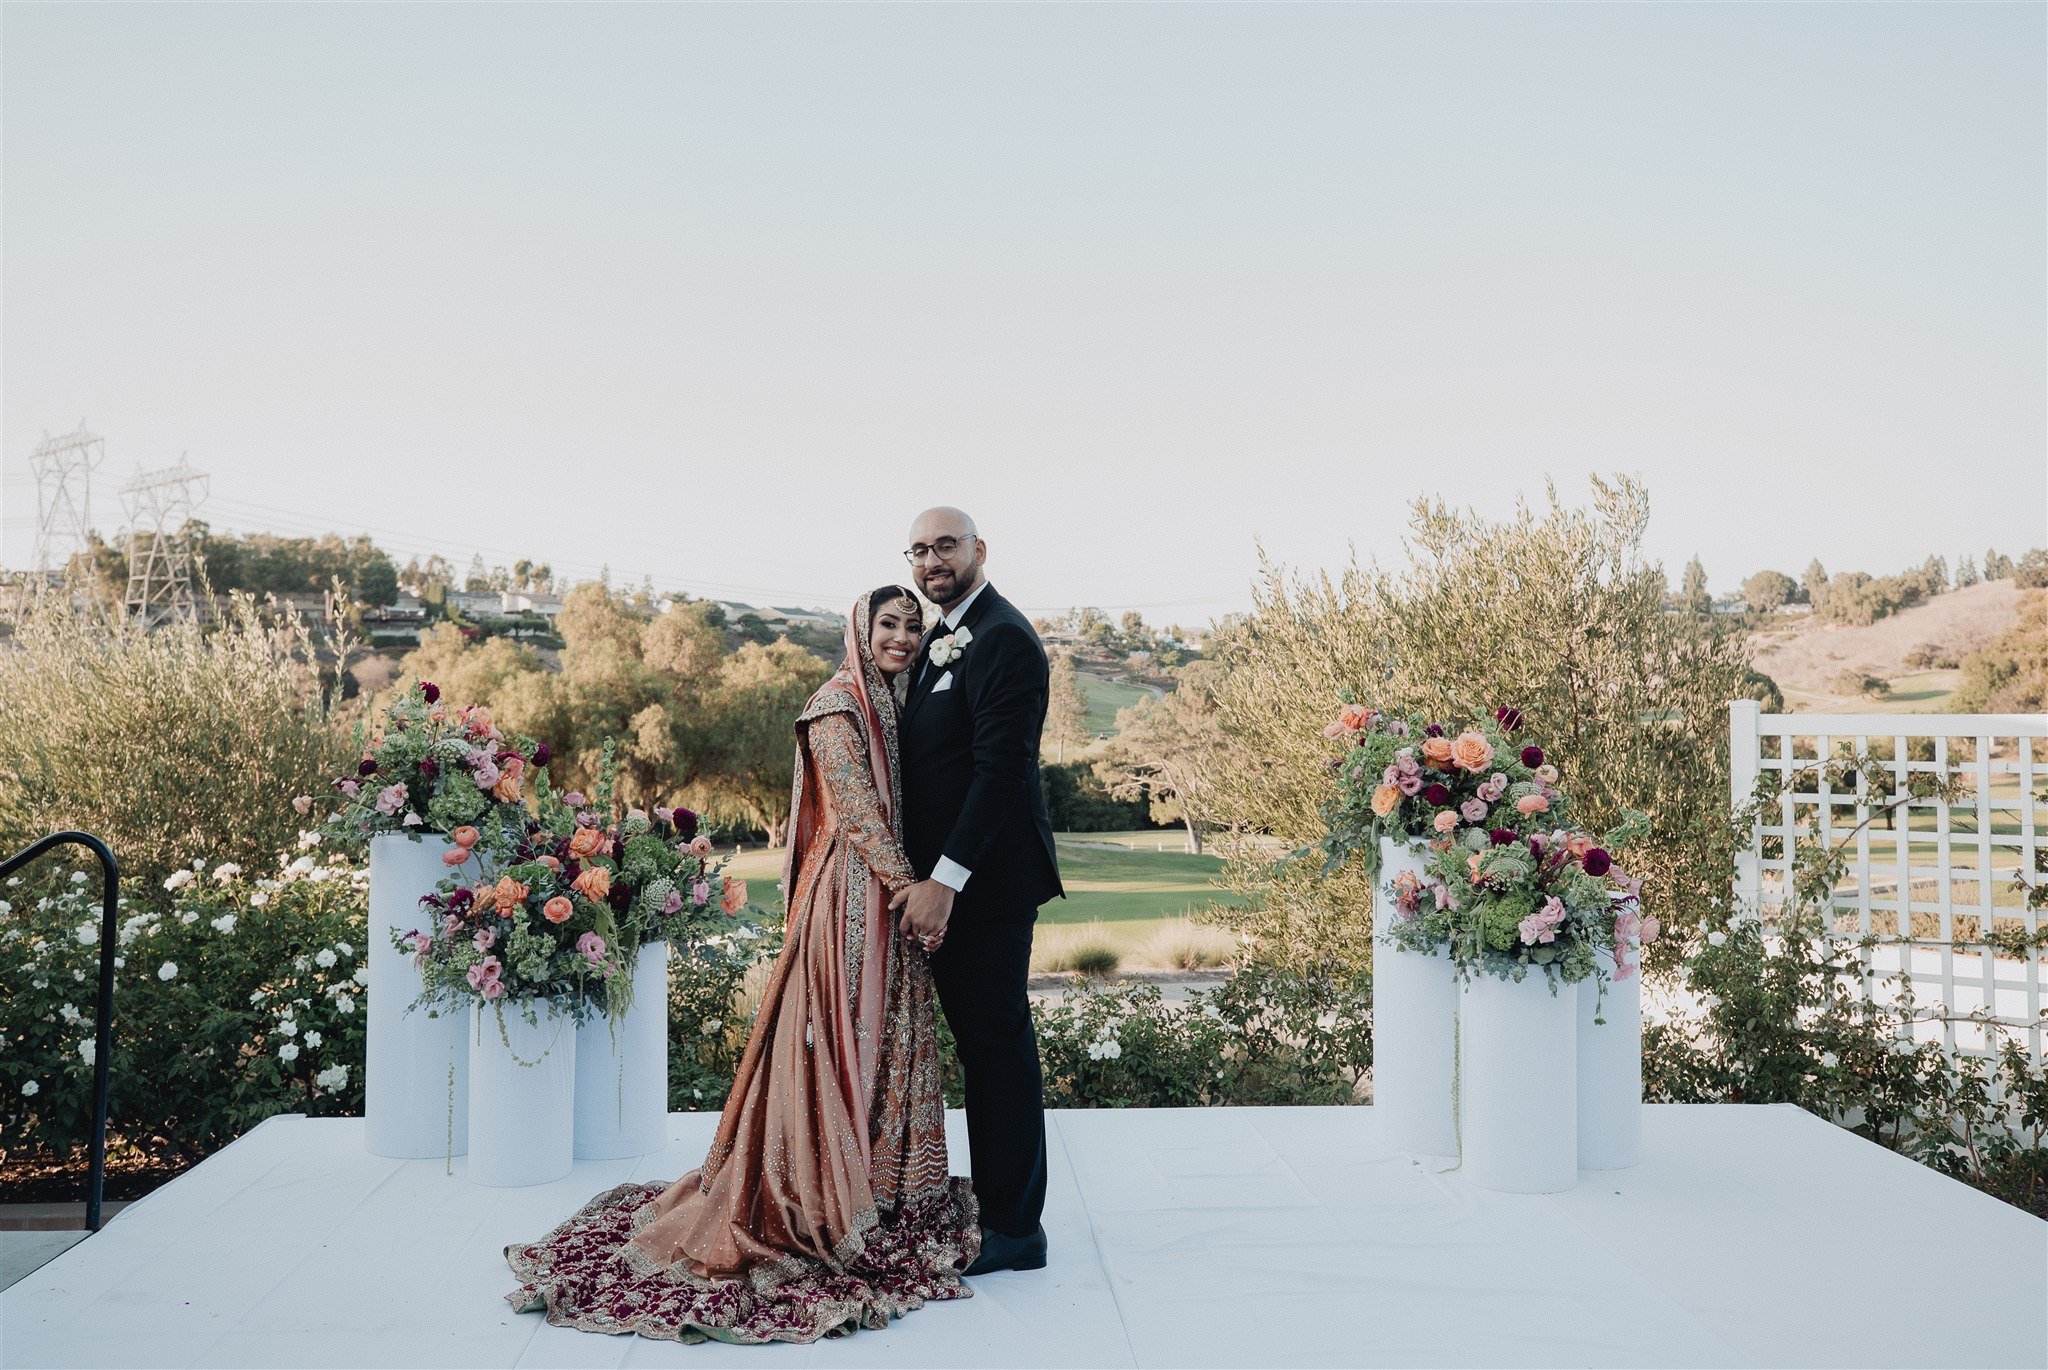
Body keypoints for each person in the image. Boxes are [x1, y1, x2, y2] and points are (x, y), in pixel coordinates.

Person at [502, 586, 980, 1345]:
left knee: (879, 1033)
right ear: (860, 631)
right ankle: (819, 1193)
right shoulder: (837, 705)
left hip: (884, 893)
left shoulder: (887, 705)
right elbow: (854, 811)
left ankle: (878, 1187)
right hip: (852, 896)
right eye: (888, 624)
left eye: (913, 627)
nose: (902, 637)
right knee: (841, 1030)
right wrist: (909, 891)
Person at [892, 506, 1063, 1276]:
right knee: (979, 1047)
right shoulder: (940, 636)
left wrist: (943, 882)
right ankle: (998, 1207)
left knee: (996, 1050)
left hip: (983, 887)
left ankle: (1016, 1230)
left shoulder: (1004, 639)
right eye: (921, 549)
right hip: (944, 885)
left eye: (946, 545)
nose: (933, 560)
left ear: (979, 550)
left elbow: (1001, 774)